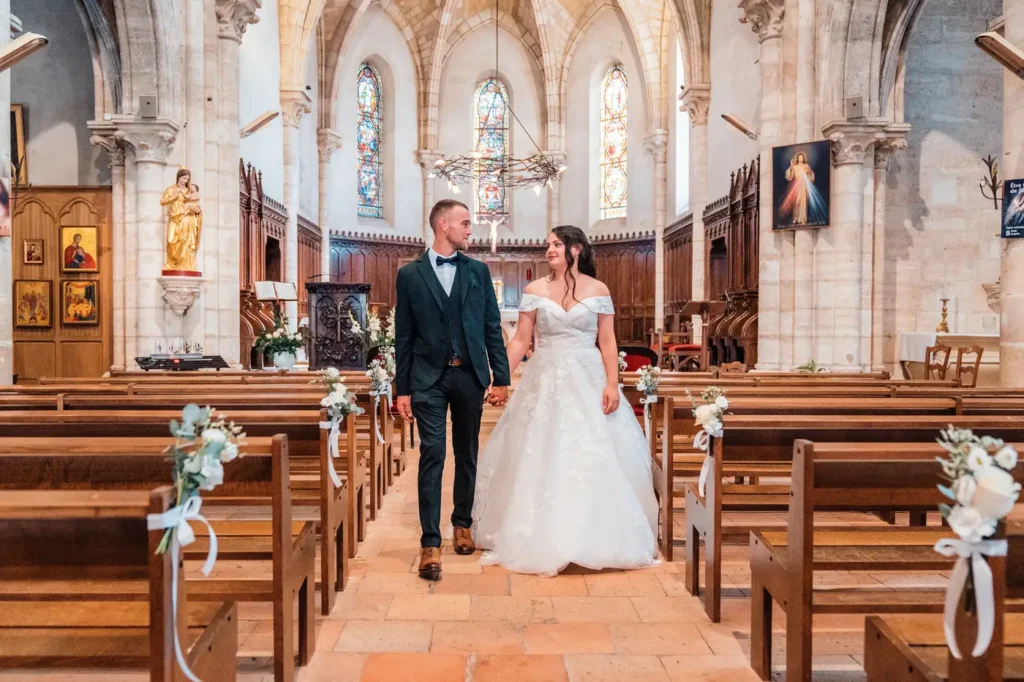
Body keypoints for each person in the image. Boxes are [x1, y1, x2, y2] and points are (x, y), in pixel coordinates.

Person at [471, 225, 659, 575]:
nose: (549, 251)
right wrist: (499, 379)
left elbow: (607, 341)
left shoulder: (598, 289)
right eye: (548, 245)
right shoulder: (535, 290)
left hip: (588, 378)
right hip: (545, 378)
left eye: (556, 244)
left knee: (592, 450)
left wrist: (612, 384)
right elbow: (520, 341)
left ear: (575, 249)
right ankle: (539, 533)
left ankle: (595, 534)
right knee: (541, 449)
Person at [394, 199, 511, 582]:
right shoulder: (409, 275)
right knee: (433, 453)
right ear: (442, 225)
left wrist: (502, 377)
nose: (469, 229)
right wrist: (403, 388)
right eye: (464, 223)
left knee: (468, 453)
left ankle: (462, 523)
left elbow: (492, 327)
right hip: (427, 378)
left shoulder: (477, 271)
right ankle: (430, 541)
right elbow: (404, 336)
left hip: (469, 377)